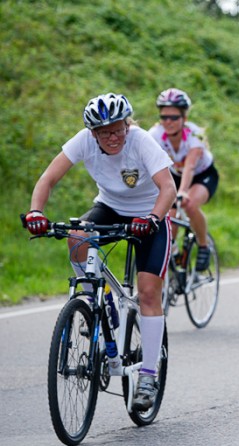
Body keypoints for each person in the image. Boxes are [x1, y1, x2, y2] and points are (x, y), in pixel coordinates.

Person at [24, 93, 176, 411]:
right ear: (93, 133)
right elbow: (47, 178)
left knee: (148, 293)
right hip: (109, 208)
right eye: (105, 132)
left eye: (119, 129)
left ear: (127, 124)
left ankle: (149, 374)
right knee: (77, 238)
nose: (113, 137)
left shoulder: (141, 141)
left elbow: (168, 188)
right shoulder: (83, 141)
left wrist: (152, 219)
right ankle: (98, 303)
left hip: (149, 216)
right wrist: (36, 212)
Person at [149, 88, 219, 271]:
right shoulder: (155, 135)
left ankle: (203, 246)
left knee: (189, 204)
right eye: (164, 117)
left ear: (184, 119)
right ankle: (173, 256)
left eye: (174, 118)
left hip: (201, 175)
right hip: (176, 176)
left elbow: (190, 166)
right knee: (168, 218)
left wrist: (182, 192)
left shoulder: (195, 135)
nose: (168, 122)